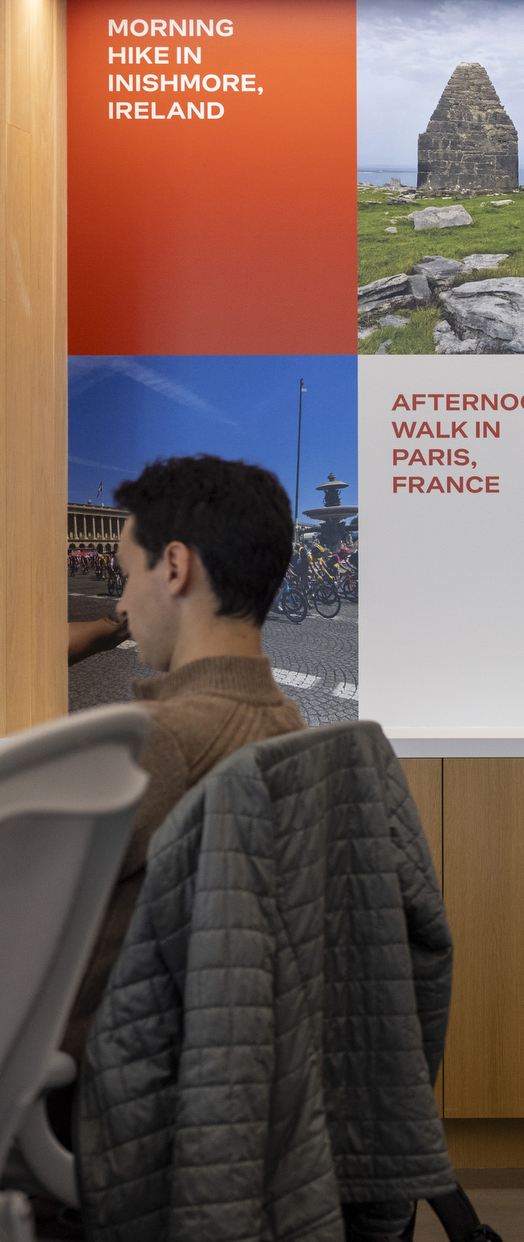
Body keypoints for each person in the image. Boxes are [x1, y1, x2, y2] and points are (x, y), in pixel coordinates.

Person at [51, 456, 305, 1142]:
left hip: (95, 1109)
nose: (123, 604)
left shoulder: (151, 746)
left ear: (174, 567)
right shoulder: (286, 725)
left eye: (128, 576)